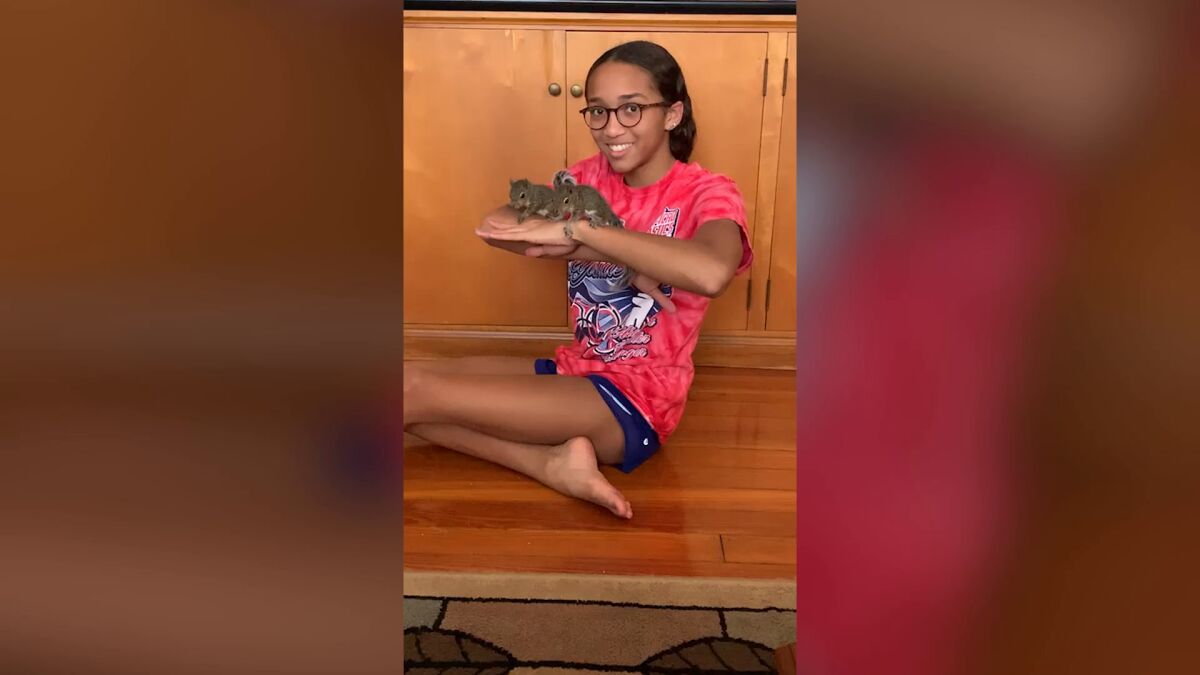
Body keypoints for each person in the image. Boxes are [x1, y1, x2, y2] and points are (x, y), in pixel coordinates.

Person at [403, 41, 753, 519]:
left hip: (636, 399)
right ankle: (550, 464)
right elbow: (496, 225)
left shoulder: (708, 192)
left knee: (410, 393)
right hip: (574, 369)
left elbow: (711, 273)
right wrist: (609, 251)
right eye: (598, 111)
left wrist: (582, 231)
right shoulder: (587, 179)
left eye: (631, 109)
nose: (611, 128)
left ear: (672, 114)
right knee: (408, 384)